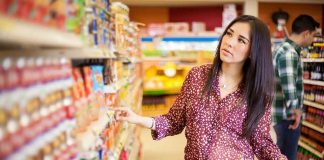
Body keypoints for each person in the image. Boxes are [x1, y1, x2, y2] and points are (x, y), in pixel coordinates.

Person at [113, 15, 286, 159]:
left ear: (253, 51)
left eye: (241, 40)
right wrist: (138, 119)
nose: (230, 42)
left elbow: (261, 141)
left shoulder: (257, 92)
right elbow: (174, 121)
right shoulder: (197, 76)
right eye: (229, 34)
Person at [272, 15, 320, 160]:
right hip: (286, 119)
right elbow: (290, 87)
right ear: (306, 33)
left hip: (280, 117)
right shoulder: (289, 53)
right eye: (313, 35)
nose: (313, 40)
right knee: (287, 157)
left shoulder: (282, 48)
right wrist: (297, 112)